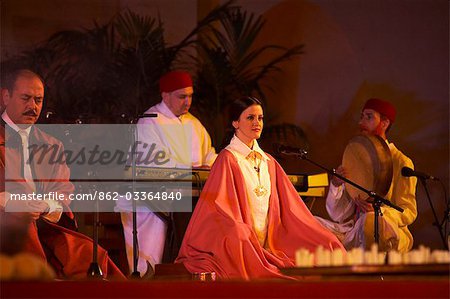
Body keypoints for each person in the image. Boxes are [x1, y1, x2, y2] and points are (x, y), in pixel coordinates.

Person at [175, 96, 345, 280]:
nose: (257, 123)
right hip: (242, 239)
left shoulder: (269, 162)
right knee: (238, 235)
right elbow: (218, 209)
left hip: (271, 241)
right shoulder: (228, 159)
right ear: (235, 122)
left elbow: (293, 209)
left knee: (327, 242)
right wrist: (240, 229)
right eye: (250, 118)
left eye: (260, 118)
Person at [0, 69, 125, 280]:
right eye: (26, 98)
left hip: (46, 225)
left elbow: (63, 192)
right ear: (5, 96)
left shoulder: (51, 144)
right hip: (6, 227)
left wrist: (46, 206)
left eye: (38, 100)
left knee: (90, 255)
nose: (33, 106)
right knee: (25, 234)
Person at [117, 70, 217, 275]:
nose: (187, 101)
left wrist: (214, 166)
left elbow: (210, 155)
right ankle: (147, 281)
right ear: (165, 95)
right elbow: (153, 162)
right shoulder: (150, 120)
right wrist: (190, 169)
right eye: (182, 96)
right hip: (150, 198)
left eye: (190, 96)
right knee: (153, 246)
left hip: (188, 196)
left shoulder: (194, 123)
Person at [317, 98, 417, 252]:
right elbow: (338, 215)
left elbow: (408, 211)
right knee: (310, 222)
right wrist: (336, 185)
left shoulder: (401, 161)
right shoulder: (356, 157)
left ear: (384, 123)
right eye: (362, 116)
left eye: (369, 117)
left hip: (386, 228)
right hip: (353, 229)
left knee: (371, 221)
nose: (361, 122)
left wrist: (378, 211)